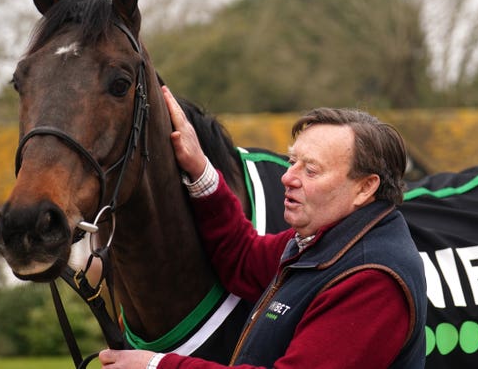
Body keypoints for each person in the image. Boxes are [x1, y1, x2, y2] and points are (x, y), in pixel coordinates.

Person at [99, 86, 426, 369]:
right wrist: (200, 168)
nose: (287, 177)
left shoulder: (371, 277)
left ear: (365, 187)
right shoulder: (328, 241)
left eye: (310, 170)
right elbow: (245, 259)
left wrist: (156, 363)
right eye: (291, 161)